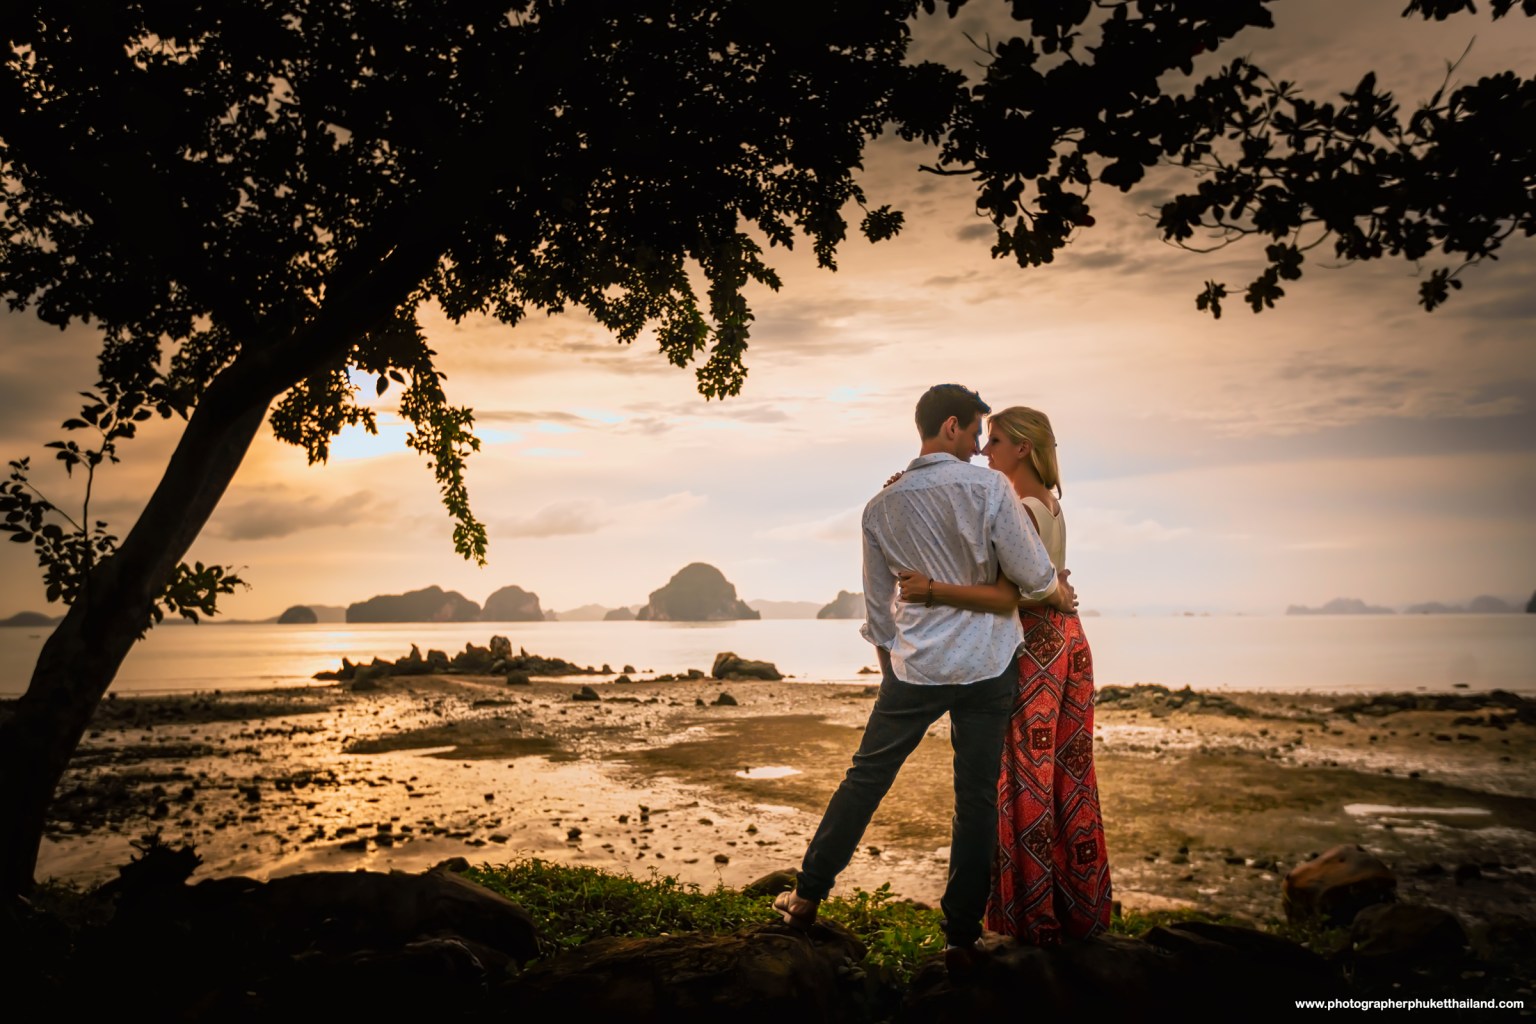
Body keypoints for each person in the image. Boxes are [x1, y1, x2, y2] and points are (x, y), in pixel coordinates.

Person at [773, 385, 1075, 969]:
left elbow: (877, 608)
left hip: (917, 668)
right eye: (976, 433)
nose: (980, 447)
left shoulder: (880, 506)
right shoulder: (990, 489)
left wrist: (894, 663)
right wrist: (1052, 591)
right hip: (990, 664)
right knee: (975, 798)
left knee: (865, 780)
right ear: (952, 426)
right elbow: (1035, 579)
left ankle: (805, 898)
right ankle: (960, 936)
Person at [892, 405, 1112, 945]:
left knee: (1026, 776)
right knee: (1065, 777)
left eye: (995, 441)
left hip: (1035, 648)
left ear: (1024, 449)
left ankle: (1033, 916)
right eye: (984, 439)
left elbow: (999, 592)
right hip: (1064, 640)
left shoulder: (1023, 508)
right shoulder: (1047, 505)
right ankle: (1072, 905)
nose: (985, 451)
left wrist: (930, 589)